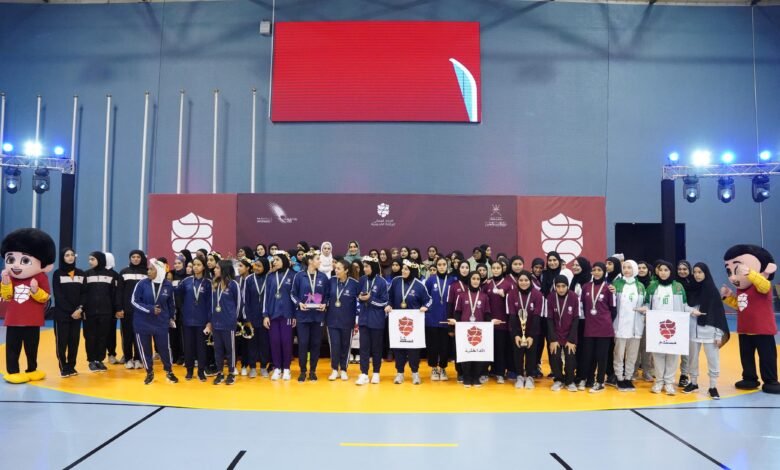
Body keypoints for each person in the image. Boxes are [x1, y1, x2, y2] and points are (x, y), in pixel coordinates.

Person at [1, 229, 56, 384]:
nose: (16, 265)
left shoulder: (40, 277)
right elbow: (6, 296)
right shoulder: (9, 277)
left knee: (32, 347)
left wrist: (35, 290)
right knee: (13, 347)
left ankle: (32, 369)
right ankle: (12, 371)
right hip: (13, 319)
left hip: (33, 320)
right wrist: (5, 284)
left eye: (25, 260)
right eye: (11, 259)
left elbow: (45, 297)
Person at [642, 260, 694, 395]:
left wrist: (692, 311)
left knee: (672, 355)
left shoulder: (678, 287)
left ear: (671, 272)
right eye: (661, 270)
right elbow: (647, 304)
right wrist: (643, 308)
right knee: (658, 354)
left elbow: (684, 305)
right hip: (657, 327)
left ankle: (669, 383)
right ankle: (659, 382)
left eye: (666, 270)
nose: (663, 273)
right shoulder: (652, 287)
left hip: (674, 327)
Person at [683, 263, 730, 399]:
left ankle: (713, 387)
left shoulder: (712, 291)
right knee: (692, 359)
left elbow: (718, 314)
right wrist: (692, 311)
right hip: (693, 331)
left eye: (700, 272)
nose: (697, 275)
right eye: (695, 272)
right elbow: (683, 305)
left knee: (713, 359)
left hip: (710, 332)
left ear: (706, 273)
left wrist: (718, 334)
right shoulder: (690, 289)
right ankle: (693, 383)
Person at [131, 258, 178, 385]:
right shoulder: (141, 284)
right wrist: (150, 309)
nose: (148, 271)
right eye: (148, 269)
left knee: (165, 348)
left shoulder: (168, 285)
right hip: (142, 322)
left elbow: (171, 303)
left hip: (161, 322)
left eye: (151, 269)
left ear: (159, 271)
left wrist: (171, 317)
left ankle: (169, 371)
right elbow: (134, 301)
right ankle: (149, 372)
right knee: (145, 349)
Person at [447, 271, 498, 388]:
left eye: (478, 279)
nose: (475, 281)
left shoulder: (484, 296)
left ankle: (476, 377)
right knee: (466, 353)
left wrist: (491, 322)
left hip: (479, 331)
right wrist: (454, 325)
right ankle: (466, 376)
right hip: (464, 331)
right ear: (469, 280)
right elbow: (457, 313)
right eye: (473, 278)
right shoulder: (462, 295)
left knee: (477, 354)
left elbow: (487, 314)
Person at [386, 260, 431, 385]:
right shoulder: (396, 281)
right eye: (403, 268)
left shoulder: (419, 285)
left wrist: (425, 307)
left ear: (412, 271)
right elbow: (389, 297)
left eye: (406, 269)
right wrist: (388, 305)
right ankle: (399, 373)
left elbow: (429, 300)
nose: (403, 271)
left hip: (414, 323)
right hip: (398, 322)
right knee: (398, 347)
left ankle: (415, 373)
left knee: (413, 349)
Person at [291, 251, 330, 382]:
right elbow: (293, 293)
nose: (320, 261)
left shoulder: (323, 277)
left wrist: (325, 304)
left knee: (315, 344)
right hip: (303, 316)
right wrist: (299, 303)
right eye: (318, 259)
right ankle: (302, 371)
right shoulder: (299, 276)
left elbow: (328, 295)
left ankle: (313, 371)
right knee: (303, 343)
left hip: (318, 316)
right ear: (310, 261)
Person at [578, 262, 615, 393]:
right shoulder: (586, 287)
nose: (597, 272)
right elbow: (583, 306)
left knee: (601, 356)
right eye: (594, 270)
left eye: (599, 270)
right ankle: (587, 379)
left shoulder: (609, 288)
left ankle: (600, 382)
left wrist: (606, 321)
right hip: (589, 327)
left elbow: (613, 309)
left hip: (604, 328)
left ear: (604, 272)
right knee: (588, 355)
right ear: (591, 272)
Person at [83, 252, 122, 373]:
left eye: (92, 259)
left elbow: (115, 294)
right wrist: (82, 309)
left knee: (103, 336)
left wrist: (117, 309)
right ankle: (91, 361)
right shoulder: (86, 274)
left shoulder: (111, 275)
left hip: (106, 312)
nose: (90, 261)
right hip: (89, 313)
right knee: (90, 337)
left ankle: (99, 360)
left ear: (100, 260)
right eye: (89, 259)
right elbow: (83, 294)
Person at [611, 260, 646, 392]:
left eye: (629, 267)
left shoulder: (640, 286)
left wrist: (645, 309)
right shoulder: (616, 284)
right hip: (620, 326)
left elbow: (646, 304)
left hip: (636, 327)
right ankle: (619, 378)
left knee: (632, 355)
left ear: (634, 270)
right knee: (619, 354)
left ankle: (628, 378)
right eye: (624, 267)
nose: (626, 270)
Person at [175, 256, 211, 381]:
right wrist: (182, 309)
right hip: (187, 320)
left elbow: (211, 303)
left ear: (204, 267)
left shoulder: (208, 283)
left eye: (198, 264)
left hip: (202, 321)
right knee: (188, 347)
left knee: (201, 348)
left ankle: (201, 371)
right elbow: (177, 294)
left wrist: (209, 321)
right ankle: (189, 371)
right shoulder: (186, 281)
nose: (195, 267)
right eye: (194, 264)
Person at [205, 260, 241, 385]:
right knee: (218, 350)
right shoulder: (215, 284)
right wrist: (211, 321)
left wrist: (233, 319)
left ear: (224, 269)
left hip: (228, 323)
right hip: (216, 323)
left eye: (217, 268)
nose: (214, 270)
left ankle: (231, 373)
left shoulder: (233, 284)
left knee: (230, 350)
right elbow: (211, 305)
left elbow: (238, 304)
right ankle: (220, 373)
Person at [355, 256, 389, 385]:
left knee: (376, 348)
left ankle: (376, 373)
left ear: (373, 267)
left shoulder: (382, 282)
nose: (364, 269)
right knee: (363, 348)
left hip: (376, 320)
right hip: (364, 319)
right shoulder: (362, 279)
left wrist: (369, 299)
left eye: (367, 267)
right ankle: (364, 373)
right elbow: (357, 296)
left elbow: (384, 302)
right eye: (364, 266)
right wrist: (360, 298)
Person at [52, 248, 85, 377]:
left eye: (72, 255)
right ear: (62, 257)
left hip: (77, 314)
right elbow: (58, 295)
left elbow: (84, 293)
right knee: (62, 342)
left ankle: (71, 366)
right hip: (62, 315)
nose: (70, 257)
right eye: (67, 255)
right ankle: (63, 367)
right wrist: (72, 311)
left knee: (73, 342)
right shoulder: (57, 274)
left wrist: (80, 309)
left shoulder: (81, 273)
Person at [263, 251, 295, 381]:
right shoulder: (270, 277)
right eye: (273, 260)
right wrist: (265, 315)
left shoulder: (293, 275)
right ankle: (277, 368)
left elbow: (295, 297)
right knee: (274, 342)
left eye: (277, 259)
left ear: (284, 260)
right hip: (273, 314)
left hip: (287, 314)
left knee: (286, 342)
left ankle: (286, 368)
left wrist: (294, 315)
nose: (274, 262)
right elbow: (266, 297)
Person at [544, 275, 580, 392]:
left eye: (563, 286)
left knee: (570, 358)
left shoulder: (574, 297)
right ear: (555, 287)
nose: (560, 289)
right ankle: (558, 380)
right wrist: (553, 339)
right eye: (558, 286)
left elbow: (576, 319)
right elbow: (549, 319)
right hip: (556, 334)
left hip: (570, 335)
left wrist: (571, 339)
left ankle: (570, 381)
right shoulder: (550, 297)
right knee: (554, 356)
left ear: (567, 286)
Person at [483, 260, 516, 384]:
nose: (496, 270)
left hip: (503, 323)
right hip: (488, 323)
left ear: (502, 269)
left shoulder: (508, 284)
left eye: (498, 268)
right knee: (488, 348)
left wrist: (505, 296)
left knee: (501, 349)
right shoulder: (487, 284)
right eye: (494, 268)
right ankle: (487, 371)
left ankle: (500, 373)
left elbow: (513, 302)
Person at [326, 259, 359, 381]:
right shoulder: (331, 281)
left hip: (347, 321)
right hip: (332, 320)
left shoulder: (354, 284)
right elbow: (325, 297)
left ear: (346, 270)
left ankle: (344, 369)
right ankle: (335, 369)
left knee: (345, 346)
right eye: (336, 268)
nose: (336, 270)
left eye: (339, 268)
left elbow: (360, 300)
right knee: (335, 346)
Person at [510, 271, 543, 389]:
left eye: (526, 280)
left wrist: (531, 336)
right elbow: (512, 316)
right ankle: (519, 376)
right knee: (517, 354)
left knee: (531, 354)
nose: (523, 283)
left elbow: (537, 316)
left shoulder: (537, 295)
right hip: (517, 331)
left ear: (530, 281)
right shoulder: (512, 294)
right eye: (521, 280)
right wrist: (516, 334)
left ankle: (529, 377)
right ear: (517, 281)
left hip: (533, 331)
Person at [424, 257, 454, 381]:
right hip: (432, 318)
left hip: (446, 319)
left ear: (447, 266)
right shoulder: (430, 280)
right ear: (436, 266)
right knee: (433, 346)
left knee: (444, 346)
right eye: (439, 265)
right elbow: (425, 297)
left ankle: (443, 368)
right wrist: (426, 308)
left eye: (444, 264)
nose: (442, 267)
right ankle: (433, 368)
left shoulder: (452, 280)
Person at [117, 250, 148, 370]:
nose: (135, 259)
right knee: (127, 335)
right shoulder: (124, 272)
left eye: (138, 257)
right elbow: (119, 292)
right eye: (133, 257)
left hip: (141, 310)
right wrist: (119, 308)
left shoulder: (146, 273)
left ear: (141, 258)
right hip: (127, 310)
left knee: (139, 335)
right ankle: (128, 359)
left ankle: (138, 359)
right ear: (130, 258)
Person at [244, 258, 271, 378]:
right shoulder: (249, 279)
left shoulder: (269, 279)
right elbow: (246, 299)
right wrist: (247, 318)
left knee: (264, 343)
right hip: (252, 317)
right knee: (252, 344)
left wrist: (268, 315)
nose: (256, 268)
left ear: (265, 267)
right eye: (255, 265)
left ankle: (264, 366)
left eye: (259, 266)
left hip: (265, 318)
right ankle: (253, 367)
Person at [676, 260, 695, 387]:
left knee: (686, 349)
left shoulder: (694, 283)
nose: (682, 271)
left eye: (685, 269)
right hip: (676, 319)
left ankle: (684, 374)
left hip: (690, 319)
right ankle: (668, 374)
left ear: (689, 270)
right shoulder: (674, 284)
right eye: (680, 269)